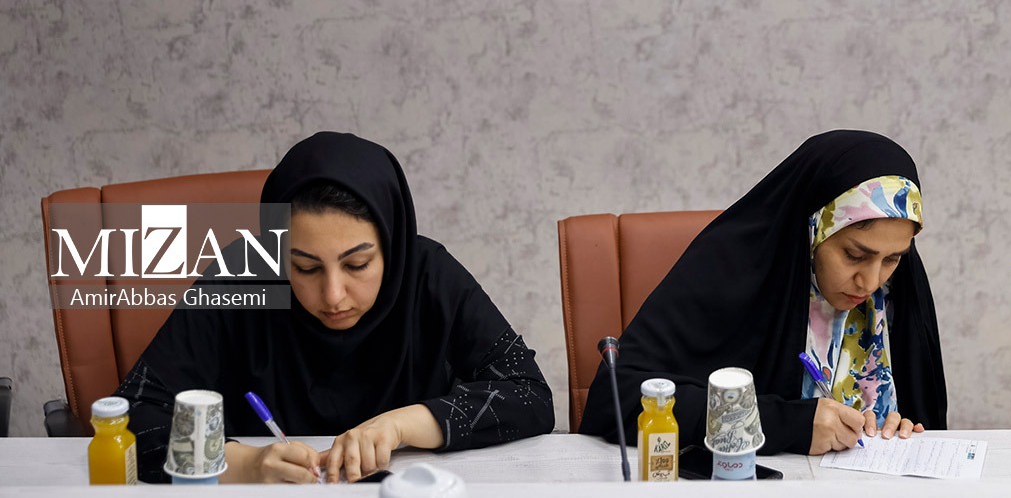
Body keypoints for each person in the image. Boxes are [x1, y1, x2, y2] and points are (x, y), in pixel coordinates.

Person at [117, 132, 554, 483]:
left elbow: (529, 394)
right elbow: (133, 412)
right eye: (305, 268)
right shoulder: (243, 276)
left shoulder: (427, 274)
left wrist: (400, 425)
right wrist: (243, 465)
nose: (333, 296)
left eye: (357, 265)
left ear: (392, 246)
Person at [578, 130, 945, 455]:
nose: (870, 282)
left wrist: (898, 427)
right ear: (813, 229)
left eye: (892, 259)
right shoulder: (729, 267)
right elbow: (617, 399)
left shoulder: (897, 289)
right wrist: (785, 424)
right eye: (854, 255)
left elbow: (922, 416)